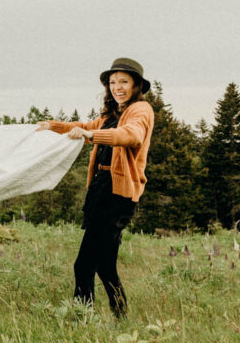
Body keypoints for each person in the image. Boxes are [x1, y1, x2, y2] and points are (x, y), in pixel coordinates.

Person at [35, 57, 154, 318]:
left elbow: (131, 136)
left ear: (136, 85)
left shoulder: (140, 110)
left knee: (84, 264)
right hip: (101, 189)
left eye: (124, 81)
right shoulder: (110, 116)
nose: (117, 87)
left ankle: (82, 319)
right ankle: (121, 316)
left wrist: (92, 136)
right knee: (105, 264)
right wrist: (51, 126)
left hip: (118, 194)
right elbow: (82, 127)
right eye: (112, 82)